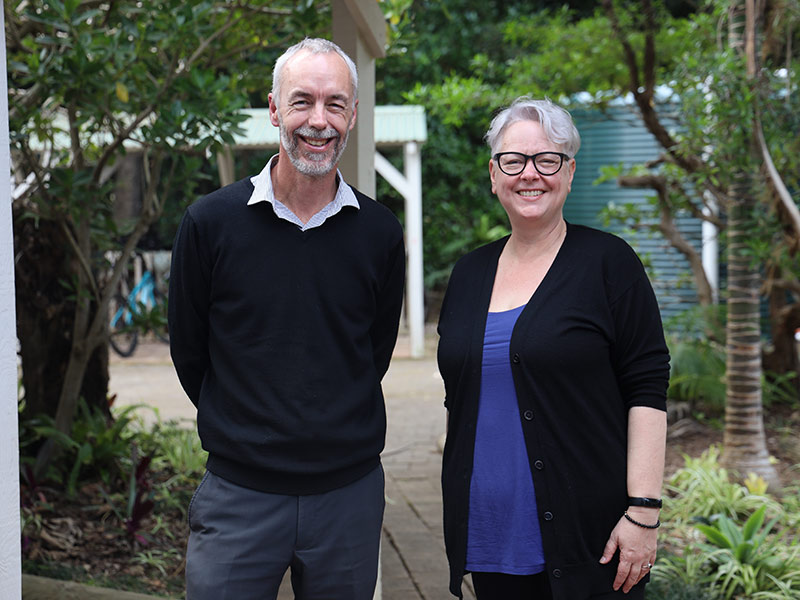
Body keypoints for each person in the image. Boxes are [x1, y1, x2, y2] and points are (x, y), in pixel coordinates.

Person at [168, 37, 406, 600]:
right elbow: (189, 351)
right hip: (238, 496)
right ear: (274, 109)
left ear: (352, 114)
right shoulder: (210, 223)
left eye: (334, 104)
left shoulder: (379, 233)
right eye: (302, 102)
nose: (318, 121)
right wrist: (247, 427)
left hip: (347, 497)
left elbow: (373, 352)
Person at [436, 97, 670, 600]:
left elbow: (647, 388)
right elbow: (462, 402)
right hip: (489, 535)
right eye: (514, 161)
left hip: (593, 540)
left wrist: (644, 512)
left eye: (547, 160)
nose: (530, 175)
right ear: (494, 174)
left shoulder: (609, 263)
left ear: (568, 171)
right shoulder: (468, 274)